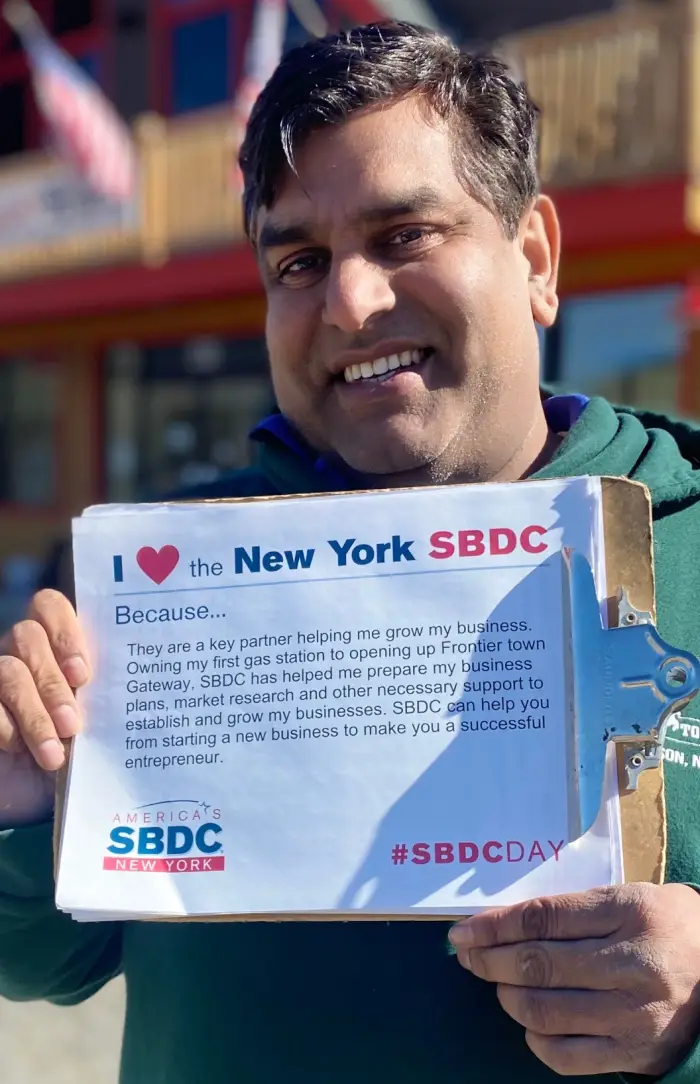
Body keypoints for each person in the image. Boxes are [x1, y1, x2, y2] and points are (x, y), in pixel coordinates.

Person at [1, 20, 700, 1084]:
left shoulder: (683, 533)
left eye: (405, 233)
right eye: (299, 259)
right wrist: (21, 803)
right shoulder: (160, 587)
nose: (351, 302)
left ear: (535, 257)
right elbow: (47, 965)